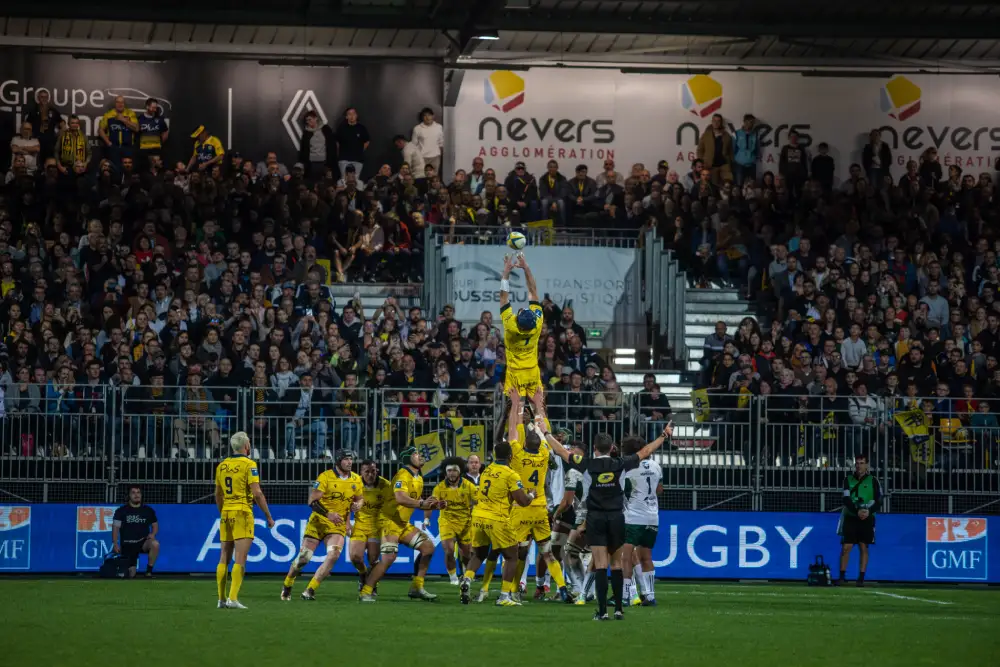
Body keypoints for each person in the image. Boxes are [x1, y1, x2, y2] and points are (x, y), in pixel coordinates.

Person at [538, 415, 673, 621]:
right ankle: (619, 609)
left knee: (600, 564)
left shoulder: (586, 463)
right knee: (617, 564)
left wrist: (545, 433)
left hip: (596, 518)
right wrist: (663, 435)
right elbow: (646, 451)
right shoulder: (621, 463)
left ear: (594, 448)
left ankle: (602, 612)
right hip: (617, 518)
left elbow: (562, 452)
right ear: (611, 448)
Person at [459, 400, 536, 606]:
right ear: (511, 456)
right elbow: (522, 501)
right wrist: (531, 495)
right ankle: (504, 596)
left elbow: (496, 439)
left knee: (480, 553)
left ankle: (466, 579)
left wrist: (505, 412)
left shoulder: (487, 470)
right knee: (512, 556)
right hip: (497, 518)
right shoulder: (511, 474)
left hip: (478, 516)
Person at [506, 389, 574, 602]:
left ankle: (514, 590)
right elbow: (544, 427)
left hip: (521, 508)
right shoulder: (545, 454)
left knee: (520, 552)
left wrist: (517, 404)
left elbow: (513, 429)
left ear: (525, 443)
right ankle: (562, 587)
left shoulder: (517, 454)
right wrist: (537, 404)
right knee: (547, 552)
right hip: (540, 508)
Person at [359, 445, 441, 602]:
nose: (420, 456)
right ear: (407, 458)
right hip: (389, 521)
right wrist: (422, 503)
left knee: (428, 548)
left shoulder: (418, 478)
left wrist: (433, 505)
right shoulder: (403, 475)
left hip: (402, 523)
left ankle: (417, 587)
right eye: (416, 454)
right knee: (389, 558)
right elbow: (400, 498)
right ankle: (366, 591)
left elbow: (414, 502)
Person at [281, 450, 362, 601]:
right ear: (338, 461)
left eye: (351, 459)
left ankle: (310, 589)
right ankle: (288, 583)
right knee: (304, 558)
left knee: (333, 555)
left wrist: (358, 505)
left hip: (337, 526)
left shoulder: (356, 479)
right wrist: (328, 514)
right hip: (318, 523)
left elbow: (360, 498)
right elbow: (312, 501)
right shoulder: (325, 477)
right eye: (346, 459)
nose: (350, 462)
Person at [214, 431, 275, 609]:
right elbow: (257, 493)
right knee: (240, 557)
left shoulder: (222, 465)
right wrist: (268, 516)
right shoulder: (249, 464)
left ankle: (221, 599)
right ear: (246, 446)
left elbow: (218, 494)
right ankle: (233, 598)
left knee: (224, 556)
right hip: (242, 511)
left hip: (226, 512)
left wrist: (223, 511)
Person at [499, 253, 544, 416]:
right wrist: (526, 268)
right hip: (532, 372)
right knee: (539, 412)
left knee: (515, 413)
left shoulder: (511, 326)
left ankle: (513, 441)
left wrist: (506, 272)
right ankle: (544, 440)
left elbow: (503, 297)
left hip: (515, 374)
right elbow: (533, 290)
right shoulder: (537, 323)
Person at [620, 436, 663, 606]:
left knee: (626, 556)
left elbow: (623, 492)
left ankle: (626, 595)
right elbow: (660, 489)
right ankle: (650, 596)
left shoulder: (628, 469)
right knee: (647, 556)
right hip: (652, 516)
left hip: (633, 517)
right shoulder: (656, 466)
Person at [836, 452, 882, 587]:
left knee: (863, 546)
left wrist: (868, 511)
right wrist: (857, 511)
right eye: (857, 463)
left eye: (862, 463)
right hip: (851, 516)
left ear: (867, 465)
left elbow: (879, 500)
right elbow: (846, 498)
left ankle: (861, 578)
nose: (859, 466)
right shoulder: (847, 480)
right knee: (846, 547)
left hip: (867, 517)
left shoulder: (873, 480)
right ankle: (842, 576)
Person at [349, 459, 392, 595]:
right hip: (360, 525)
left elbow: (393, 505)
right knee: (355, 557)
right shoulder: (354, 484)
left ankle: (371, 584)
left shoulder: (385, 485)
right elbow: (344, 504)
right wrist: (346, 524)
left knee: (374, 559)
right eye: (366, 471)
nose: (370, 474)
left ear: (376, 471)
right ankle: (363, 575)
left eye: (373, 471)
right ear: (361, 472)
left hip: (377, 527)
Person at [432, 457, 478, 585]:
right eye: (449, 470)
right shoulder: (439, 487)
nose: (452, 473)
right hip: (447, 522)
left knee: (467, 554)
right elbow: (432, 502)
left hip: (465, 523)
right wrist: (436, 505)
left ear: (460, 471)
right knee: (449, 550)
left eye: (455, 470)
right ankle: (453, 578)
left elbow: (479, 500)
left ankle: (466, 575)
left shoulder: (469, 486)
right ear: (445, 472)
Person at [111, 484, 159, 578]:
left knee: (155, 544)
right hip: (128, 544)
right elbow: (115, 527)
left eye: (138, 492)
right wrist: (115, 543)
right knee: (130, 575)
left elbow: (155, 525)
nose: (136, 495)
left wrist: (153, 534)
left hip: (143, 542)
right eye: (133, 493)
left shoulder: (148, 510)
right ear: (129, 495)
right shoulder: (121, 511)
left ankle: (148, 572)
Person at [98, 95, 138, 166]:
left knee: (127, 170)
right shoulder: (108, 114)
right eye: (118, 102)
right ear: (115, 104)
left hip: (127, 147)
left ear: (124, 104)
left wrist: (123, 120)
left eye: (122, 102)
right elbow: (100, 130)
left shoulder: (130, 113)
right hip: (114, 148)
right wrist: (108, 143)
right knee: (114, 169)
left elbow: (137, 128)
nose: (120, 104)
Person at [412, 107, 444, 172]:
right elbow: (413, 145)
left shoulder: (439, 127)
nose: (427, 117)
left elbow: (441, 142)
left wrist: (439, 154)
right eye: (425, 115)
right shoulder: (417, 128)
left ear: (433, 116)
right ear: (422, 117)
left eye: (429, 115)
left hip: (435, 157)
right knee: (422, 177)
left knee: (434, 178)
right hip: (422, 157)